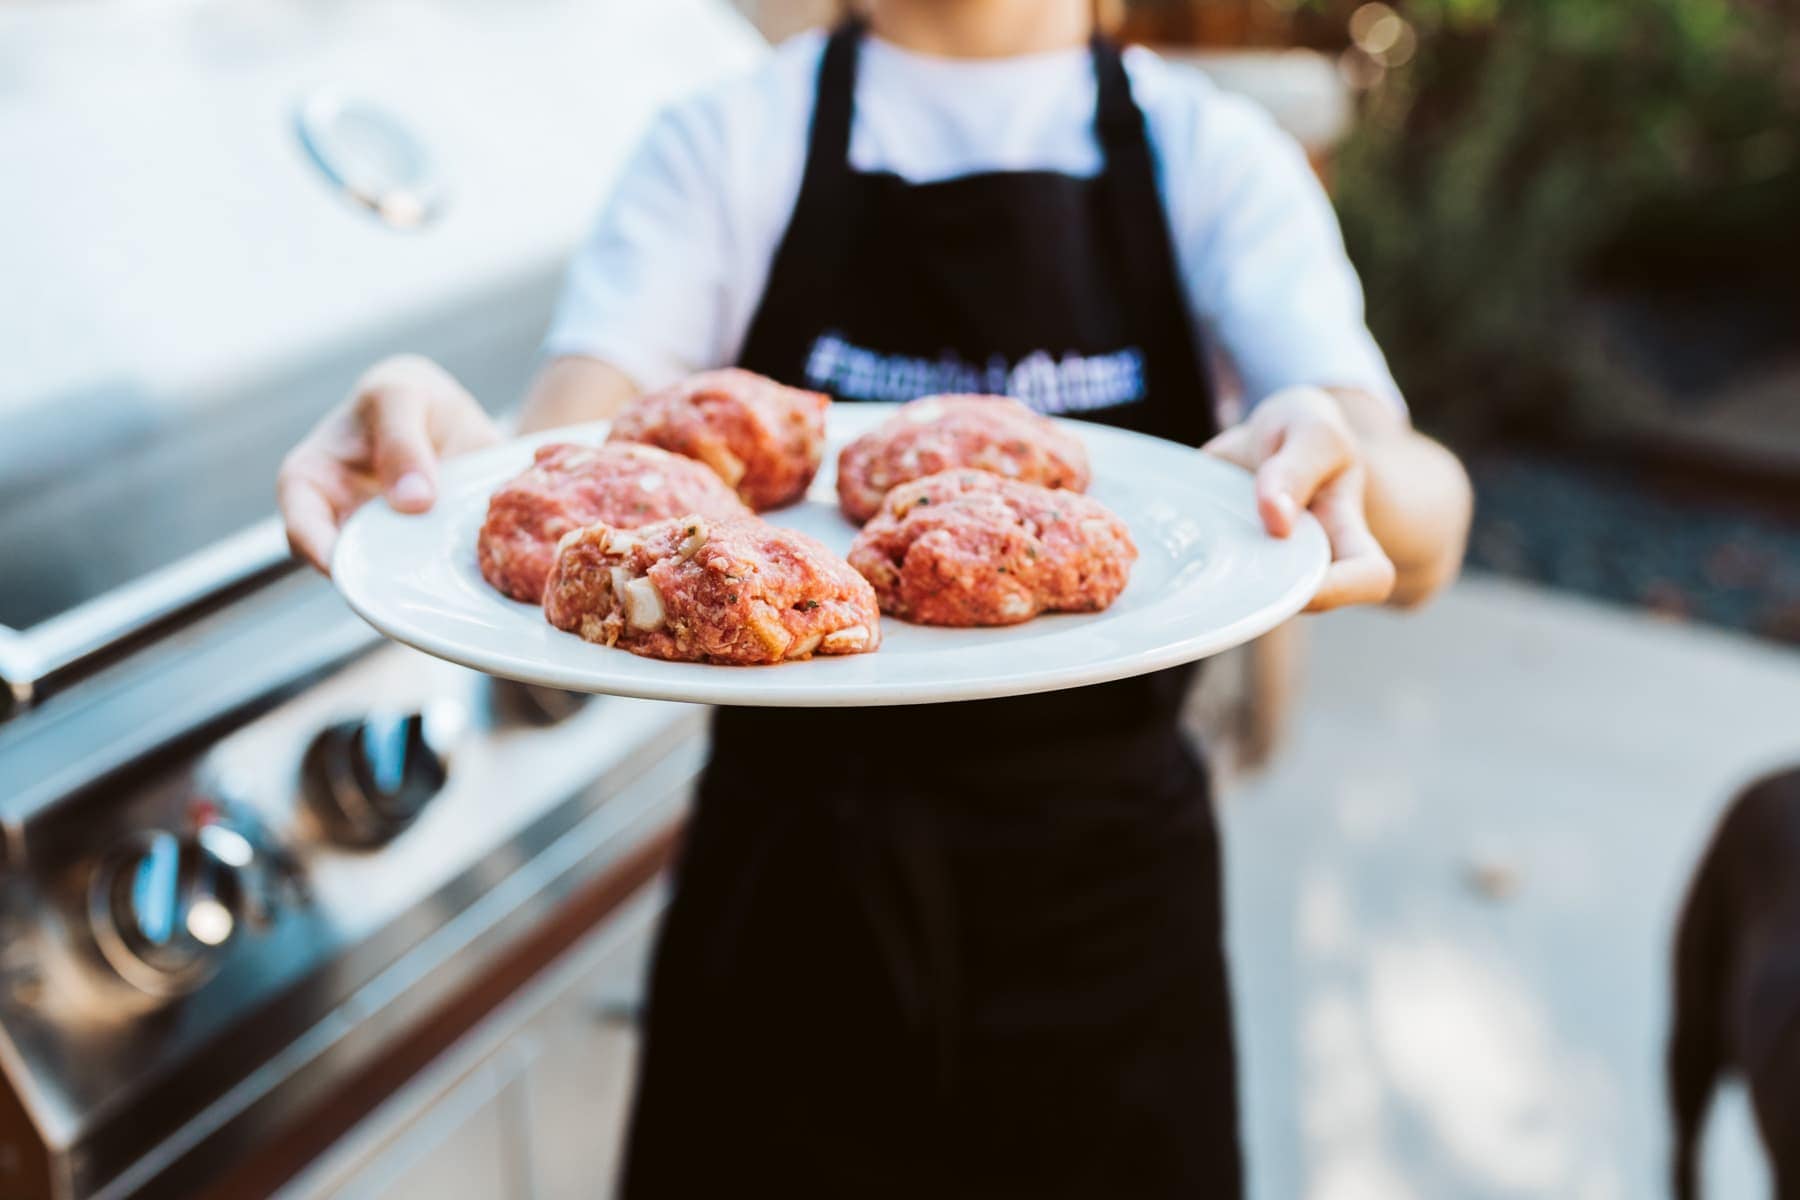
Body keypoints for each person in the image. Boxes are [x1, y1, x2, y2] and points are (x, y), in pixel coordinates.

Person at [279, 1, 1473, 1194]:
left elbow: (1419, 522)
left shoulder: (1210, 157)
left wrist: (1349, 464)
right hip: (787, 911)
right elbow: (577, 479)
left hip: (1106, 910)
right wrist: (442, 456)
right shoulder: (732, 139)